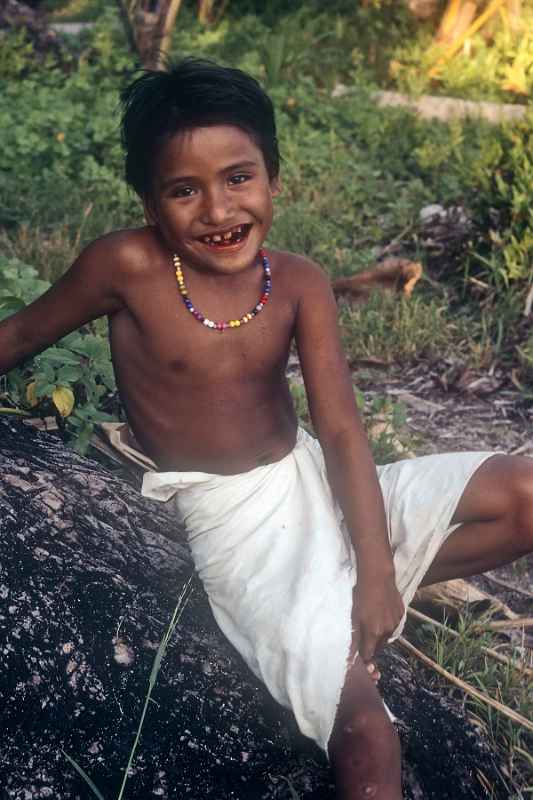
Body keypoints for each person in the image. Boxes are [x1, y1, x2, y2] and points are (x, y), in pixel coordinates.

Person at [1, 58, 532, 800]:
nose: (217, 210)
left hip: (311, 477)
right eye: (184, 190)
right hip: (239, 527)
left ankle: (356, 592)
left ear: (275, 180)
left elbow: (341, 431)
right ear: (150, 205)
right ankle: (334, 616)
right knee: (367, 734)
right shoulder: (126, 266)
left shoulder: (298, 281)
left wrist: (377, 574)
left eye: (238, 178)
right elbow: (20, 334)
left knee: (523, 492)